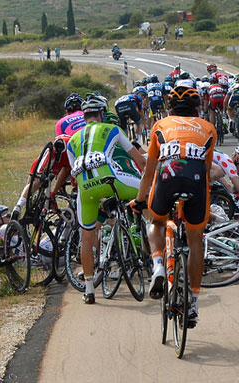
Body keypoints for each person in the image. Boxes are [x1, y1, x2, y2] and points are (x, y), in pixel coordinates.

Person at [131, 86, 216, 327]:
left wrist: (139, 200)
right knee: (195, 239)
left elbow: (149, 172)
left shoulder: (160, 125)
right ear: (197, 108)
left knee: (156, 222)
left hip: (168, 174)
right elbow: (207, 171)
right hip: (196, 179)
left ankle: (158, 265)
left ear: (170, 108)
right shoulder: (208, 127)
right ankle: (194, 303)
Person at [66, 94, 146, 304]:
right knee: (148, 191)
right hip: (112, 180)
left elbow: (75, 174)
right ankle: (152, 241)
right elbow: (139, 160)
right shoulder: (113, 129)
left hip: (86, 190)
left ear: (84, 117)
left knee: (86, 238)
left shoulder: (72, 141)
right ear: (102, 113)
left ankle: (90, 289)